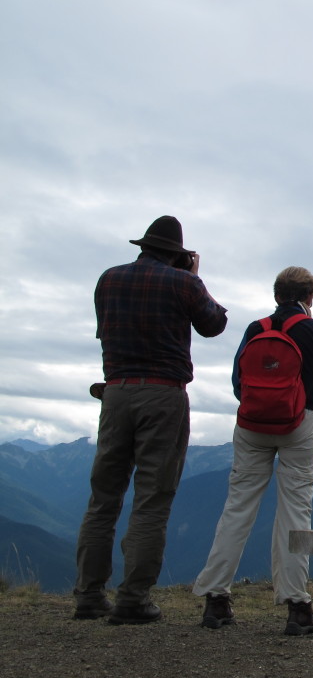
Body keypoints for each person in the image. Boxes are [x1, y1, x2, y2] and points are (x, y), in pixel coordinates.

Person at [74, 216, 228, 624]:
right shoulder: (184, 283)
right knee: (152, 498)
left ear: (143, 246)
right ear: (178, 254)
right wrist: (196, 277)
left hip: (116, 391)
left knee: (102, 498)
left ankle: (88, 595)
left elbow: (104, 330)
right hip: (163, 394)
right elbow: (214, 325)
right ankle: (133, 599)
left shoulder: (108, 279)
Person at [193, 266, 313, 635]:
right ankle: (297, 605)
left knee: (238, 506)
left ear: (277, 296)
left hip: (251, 424)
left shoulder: (255, 329)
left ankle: (215, 599)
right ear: (310, 298)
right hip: (299, 423)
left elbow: (238, 383)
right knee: (295, 509)